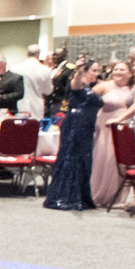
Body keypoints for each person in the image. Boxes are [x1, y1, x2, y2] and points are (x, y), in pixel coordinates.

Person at [43, 59, 104, 211]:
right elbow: (75, 83)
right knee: (71, 157)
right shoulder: (78, 82)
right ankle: (64, 196)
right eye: (94, 70)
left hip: (87, 125)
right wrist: (78, 71)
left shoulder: (92, 87)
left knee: (84, 158)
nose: (97, 74)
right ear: (86, 71)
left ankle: (81, 196)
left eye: (98, 71)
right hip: (75, 125)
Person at [91, 60, 135, 209]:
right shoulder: (104, 86)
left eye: (122, 70)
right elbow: (87, 99)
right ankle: (99, 193)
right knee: (104, 158)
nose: (118, 72)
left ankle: (118, 197)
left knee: (121, 161)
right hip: (105, 126)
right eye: (116, 69)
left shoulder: (134, 88)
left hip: (125, 128)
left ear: (129, 73)